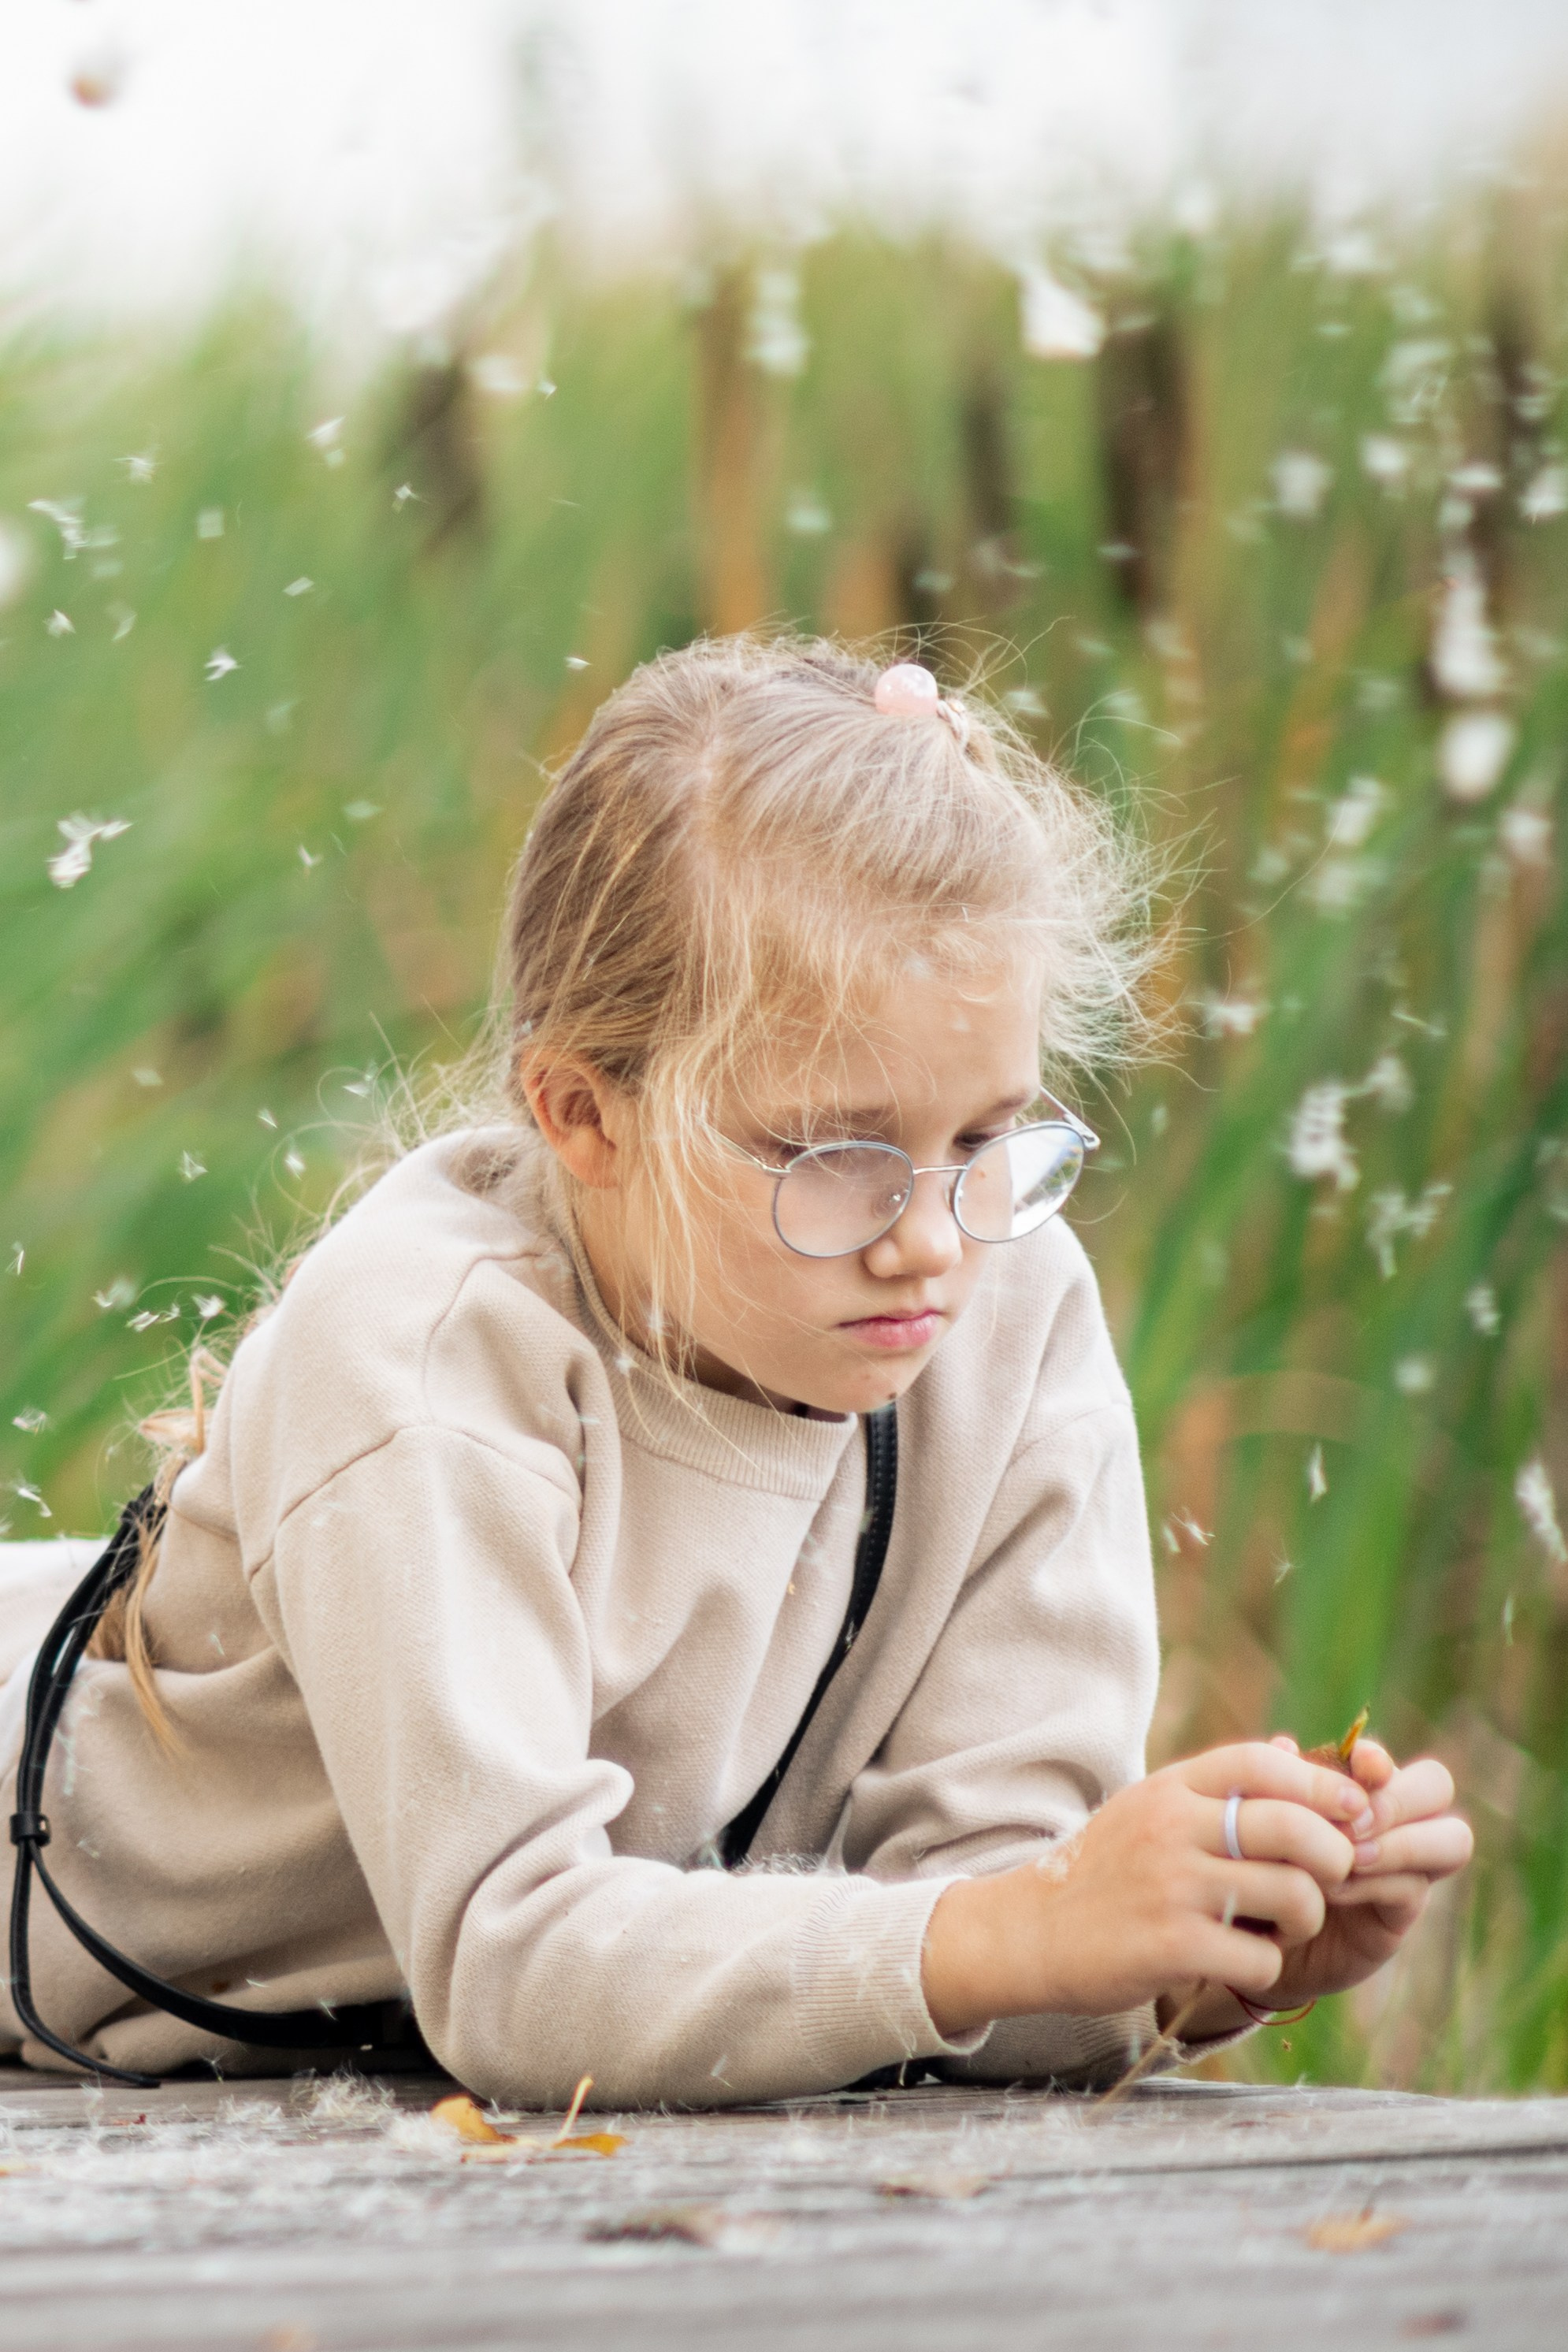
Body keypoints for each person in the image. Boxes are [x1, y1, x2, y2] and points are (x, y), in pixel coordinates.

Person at [0, 637, 1471, 2105]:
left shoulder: (1003, 1310)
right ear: (582, 1111)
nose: (927, 1242)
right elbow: (518, 1966)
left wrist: (1183, 1952)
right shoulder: (427, 1350)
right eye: (834, 1153)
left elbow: (970, 1939)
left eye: (981, 1138)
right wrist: (1019, 1926)